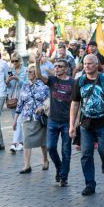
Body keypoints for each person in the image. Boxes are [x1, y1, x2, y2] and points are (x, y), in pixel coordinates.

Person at [69, 54, 104, 196]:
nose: (86, 66)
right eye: (85, 63)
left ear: (96, 64)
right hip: (86, 124)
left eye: (90, 63)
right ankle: (90, 184)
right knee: (86, 154)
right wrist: (72, 125)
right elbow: (75, 103)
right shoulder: (79, 81)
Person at [36, 54, 75, 187]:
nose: (57, 68)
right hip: (52, 120)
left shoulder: (72, 83)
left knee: (66, 151)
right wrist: (37, 62)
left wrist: (74, 122)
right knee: (51, 147)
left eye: (60, 66)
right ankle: (59, 168)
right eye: (55, 66)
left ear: (66, 69)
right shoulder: (52, 80)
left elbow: (76, 103)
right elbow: (39, 76)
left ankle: (64, 177)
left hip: (66, 122)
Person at [12, 66, 50, 174]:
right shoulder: (24, 86)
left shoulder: (43, 86)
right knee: (27, 141)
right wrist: (15, 120)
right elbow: (19, 105)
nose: (28, 73)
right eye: (28, 72)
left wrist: (43, 108)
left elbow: (48, 101)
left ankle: (45, 160)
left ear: (36, 74)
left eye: (31, 72)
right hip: (27, 117)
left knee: (43, 142)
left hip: (40, 118)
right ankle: (27, 165)